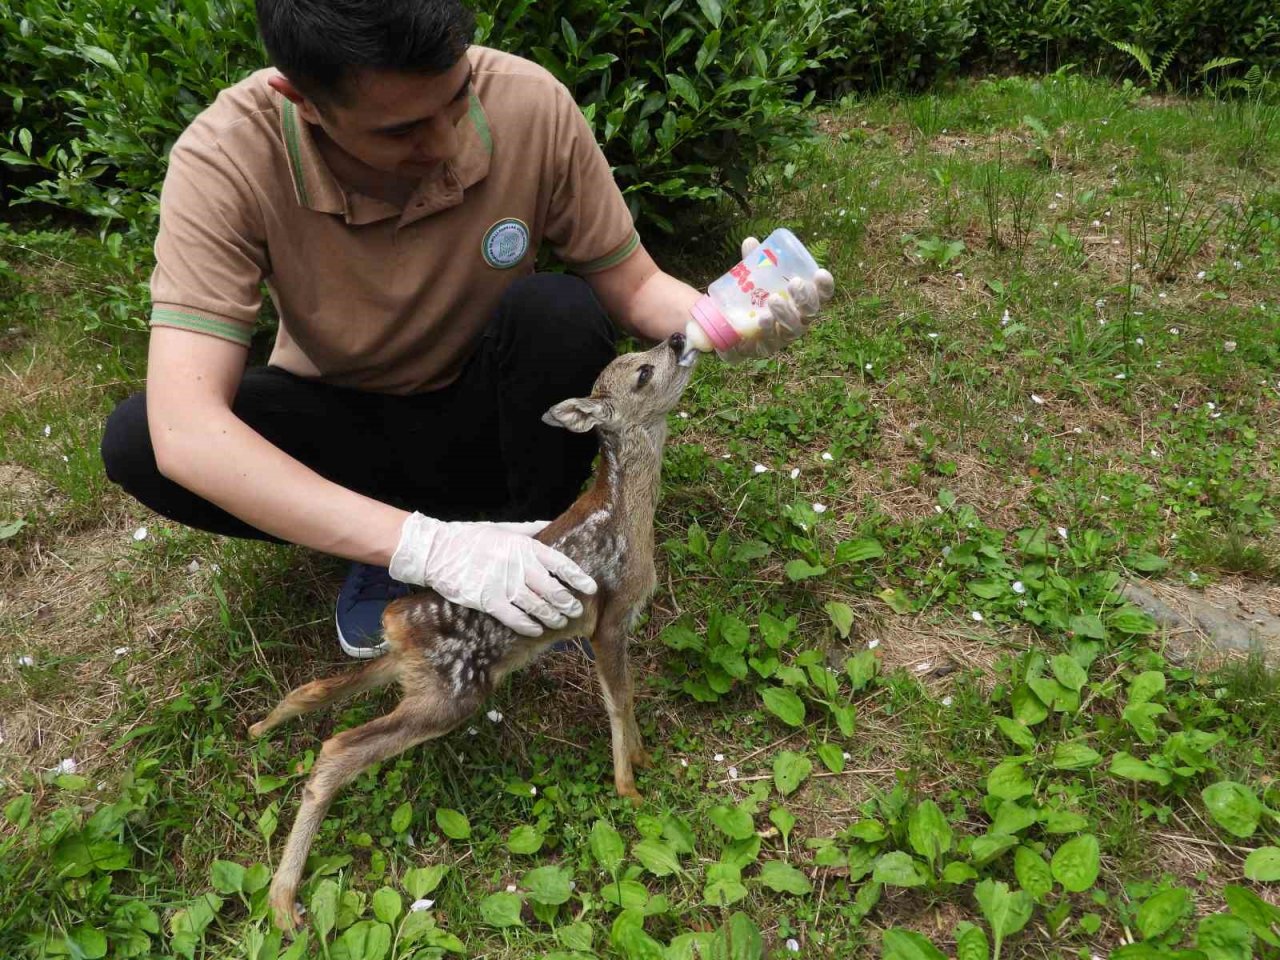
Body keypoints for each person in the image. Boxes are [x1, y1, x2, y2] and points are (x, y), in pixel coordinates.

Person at [100, 0, 835, 658]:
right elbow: (187, 429)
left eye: (455, 99)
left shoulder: (529, 103)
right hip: (353, 432)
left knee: (559, 310)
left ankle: (533, 547)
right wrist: (425, 548)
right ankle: (390, 544)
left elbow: (636, 286)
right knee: (140, 440)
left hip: (498, 419)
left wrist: (726, 316)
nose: (446, 141)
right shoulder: (225, 158)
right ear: (302, 99)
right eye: (402, 130)